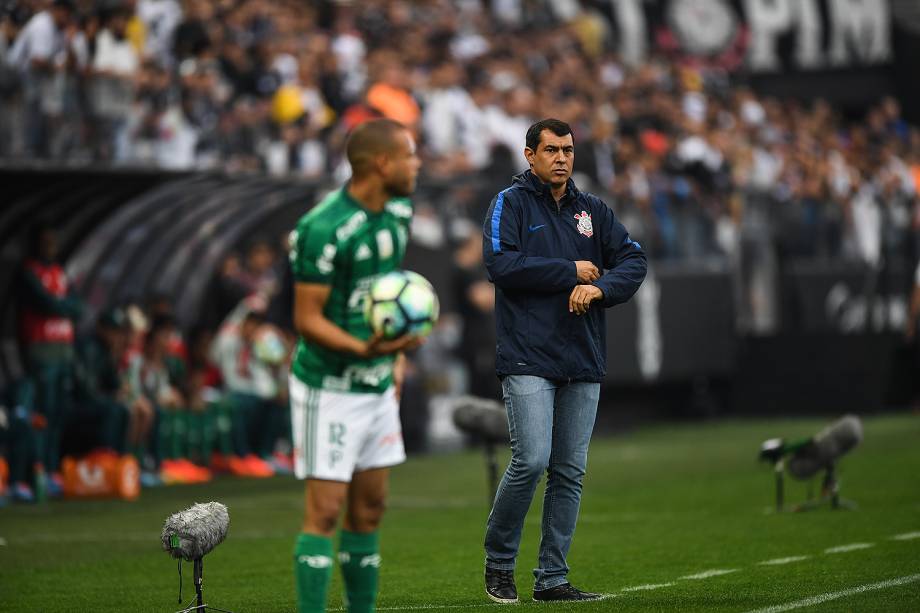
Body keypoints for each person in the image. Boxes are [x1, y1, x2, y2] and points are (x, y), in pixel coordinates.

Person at [481, 118, 647, 603]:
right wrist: (568, 271)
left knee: (569, 472)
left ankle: (552, 578)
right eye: (551, 149)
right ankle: (499, 560)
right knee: (531, 460)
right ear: (528, 155)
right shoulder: (509, 204)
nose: (561, 158)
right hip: (528, 355)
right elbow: (499, 263)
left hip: (582, 355)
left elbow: (634, 260)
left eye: (568, 150)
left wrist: (599, 288)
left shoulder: (592, 210)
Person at [288, 118, 422, 613]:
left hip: (378, 383)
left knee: (369, 511)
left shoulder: (400, 214)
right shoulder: (322, 228)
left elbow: (387, 294)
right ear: (382, 164)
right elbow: (306, 319)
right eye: (410, 155)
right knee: (324, 513)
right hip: (329, 387)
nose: (418, 164)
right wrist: (364, 350)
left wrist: (397, 356)